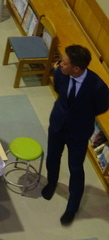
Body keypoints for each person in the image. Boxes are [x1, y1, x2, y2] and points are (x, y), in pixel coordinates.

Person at [41, 45, 109, 225]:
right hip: (57, 124)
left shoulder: (98, 87)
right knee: (53, 157)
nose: (60, 64)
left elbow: (102, 107)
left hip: (78, 132)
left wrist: (81, 114)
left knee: (76, 168)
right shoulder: (61, 74)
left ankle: (73, 206)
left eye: (64, 62)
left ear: (77, 68)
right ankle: (52, 182)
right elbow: (59, 90)